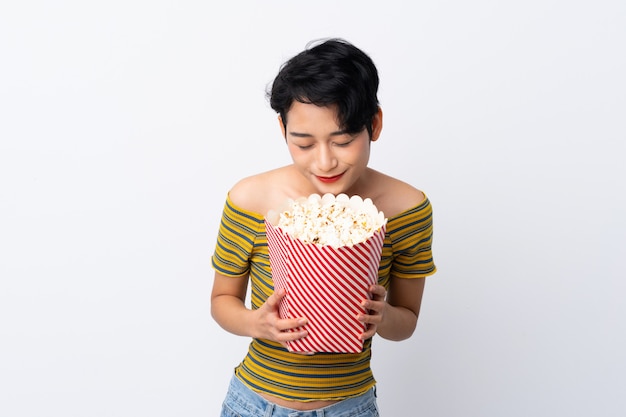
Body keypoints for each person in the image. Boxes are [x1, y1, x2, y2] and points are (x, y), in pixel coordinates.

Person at [211, 38, 436, 416]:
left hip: (350, 407)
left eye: (343, 140)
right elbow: (221, 301)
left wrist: (383, 317)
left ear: (374, 124)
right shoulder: (251, 199)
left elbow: (407, 322)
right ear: (283, 128)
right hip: (253, 404)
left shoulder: (406, 209)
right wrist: (257, 323)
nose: (325, 161)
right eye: (304, 144)